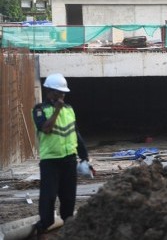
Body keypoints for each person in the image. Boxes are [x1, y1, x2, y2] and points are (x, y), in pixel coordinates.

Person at [32, 73, 89, 237]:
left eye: (63, 93)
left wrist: (84, 156)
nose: (62, 96)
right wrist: (56, 110)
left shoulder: (69, 110)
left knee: (69, 198)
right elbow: (46, 128)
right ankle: (44, 226)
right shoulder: (39, 110)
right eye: (59, 92)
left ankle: (68, 227)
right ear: (49, 91)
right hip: (51, 161)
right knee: (48, 197)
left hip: (69, 160)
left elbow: (75, 133)